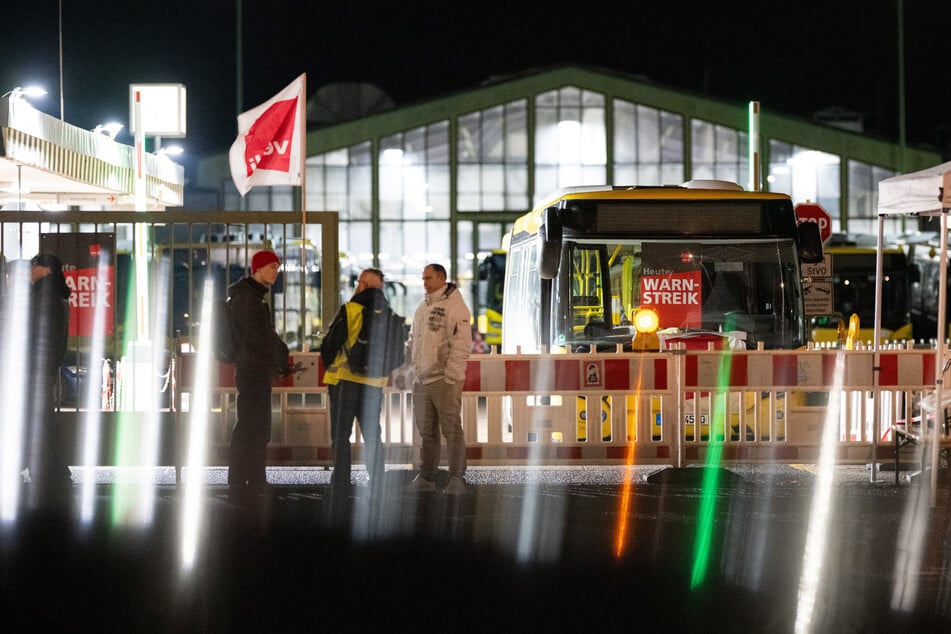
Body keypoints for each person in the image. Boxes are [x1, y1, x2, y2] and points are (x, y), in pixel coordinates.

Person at [397, 263, 472, 495]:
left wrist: (450, 376)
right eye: (423, 278)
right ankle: (427, 476)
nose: (424, 282)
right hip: (423, 379)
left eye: (428, 278)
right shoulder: (423, 306)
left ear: (441, 278)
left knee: (450, 429)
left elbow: (461, 345)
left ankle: (456, 478)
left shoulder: (455, 306)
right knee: (427, 431)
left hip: (442, 379)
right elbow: (413, 343)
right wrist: (405, 370)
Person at [227, 249, 289, 507]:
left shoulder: (253, 296)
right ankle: (243, 483)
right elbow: (258, 336)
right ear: (258, 268)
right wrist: (279, 354)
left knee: (256, 427)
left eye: (277, 267)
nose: (276, 271)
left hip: (256, 369)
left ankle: (252, 480)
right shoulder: (248, 298)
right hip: (253, 370)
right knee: (252, 427)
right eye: (272, 266)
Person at [321, 268, 390, 497]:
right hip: (374, 385)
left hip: (345, 382)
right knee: (372, 434)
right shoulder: (387, 314)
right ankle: (378, 482)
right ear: (380, 288)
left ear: (360, 285)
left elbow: (329, 346)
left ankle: (341, 482)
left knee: (341, 435)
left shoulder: (350, 310)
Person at [25, 253, 73, 507]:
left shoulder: (43, 297)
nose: (30, 270)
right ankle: (51, 468)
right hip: (46, 367)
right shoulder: (58, 296)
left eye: (34, 265)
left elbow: (29, 331)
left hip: (35, 367)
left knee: (40, 418)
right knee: (43, 417)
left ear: (46, 270)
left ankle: (47, 468)